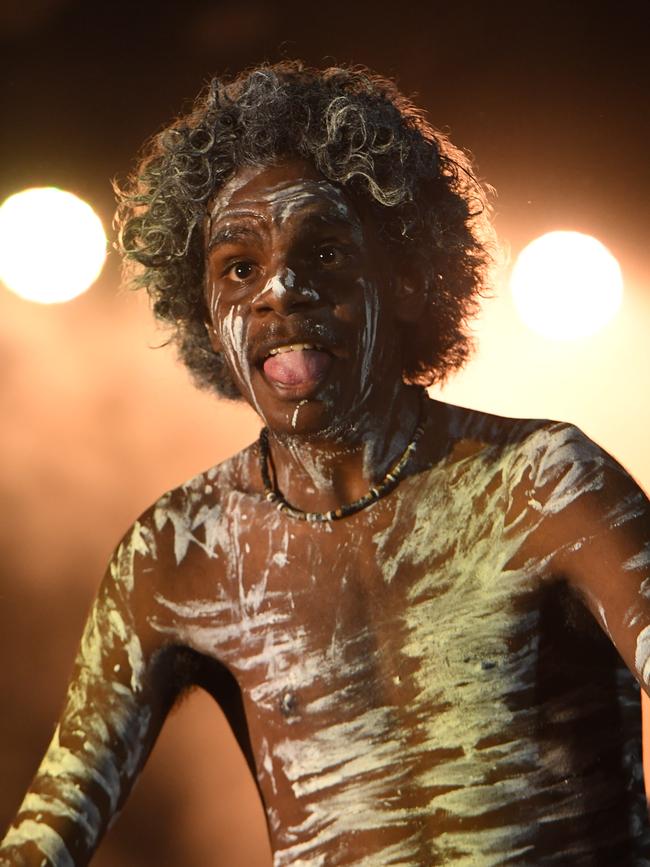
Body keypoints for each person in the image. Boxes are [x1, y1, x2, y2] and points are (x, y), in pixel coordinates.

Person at [2, 60, 650, 866]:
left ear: (409, 278)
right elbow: (44, 838)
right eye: (239, 268)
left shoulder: (545, 480)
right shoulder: (176, 554)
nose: (279, 291)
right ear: (206, 317)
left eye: (326, 254)